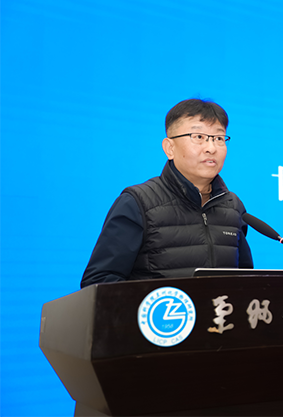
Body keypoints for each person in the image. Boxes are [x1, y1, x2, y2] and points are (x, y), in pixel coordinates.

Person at [81, 99, 253, 288]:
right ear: (170, 148)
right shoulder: (138, 202)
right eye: (199, 137)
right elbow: (99, 281)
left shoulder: (233, 206)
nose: (211, 148)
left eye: (219, 138)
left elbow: (245, 281)